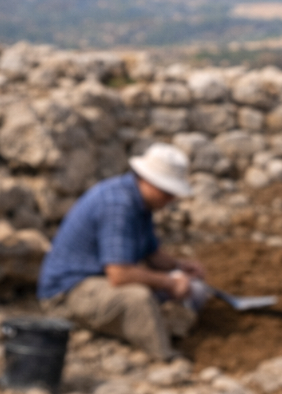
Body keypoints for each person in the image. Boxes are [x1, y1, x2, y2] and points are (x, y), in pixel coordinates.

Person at [38, 143, 209, 360]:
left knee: (195, 290)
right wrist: (170, 282)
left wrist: (179, 267)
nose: (170, 200)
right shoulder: (117, 206)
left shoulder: (140, 203)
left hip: (98, 281)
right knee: (137, 298)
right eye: (167, 193)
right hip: (69, 291)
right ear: (148, 182)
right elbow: (120, 275)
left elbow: (152, 254)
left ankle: (170, 328)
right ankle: (164, 356)